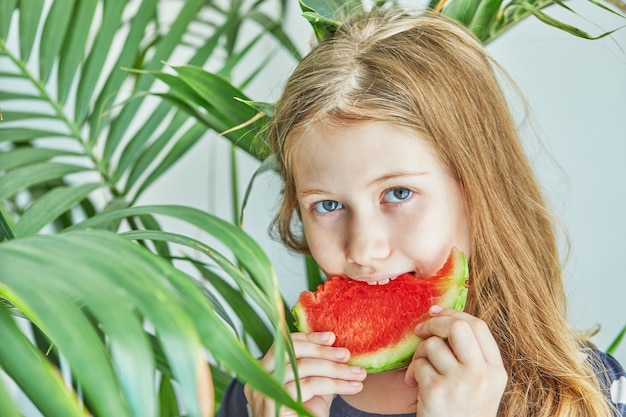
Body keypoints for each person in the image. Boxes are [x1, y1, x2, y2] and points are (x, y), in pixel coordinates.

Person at [216, 8, 626, 417]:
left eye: (398, 193)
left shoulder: (585, 391)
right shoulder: (263, 393)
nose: (364, 248)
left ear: (478, 191)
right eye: (328, 205)